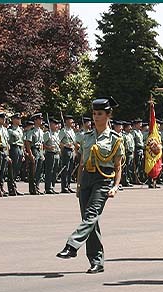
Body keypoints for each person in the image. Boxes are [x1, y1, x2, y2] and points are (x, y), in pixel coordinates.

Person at [56, 97, 124, 274]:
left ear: (108, 115)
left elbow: (118, 166)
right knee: (89, 220)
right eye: (94, 113)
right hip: (86, 177)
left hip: (103, 179)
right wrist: (78, 184)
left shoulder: (115, 139)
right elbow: (81, 163)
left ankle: (72, 246)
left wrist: (116, 186)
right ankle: (97, 261)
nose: (96, 117)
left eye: (100, 114)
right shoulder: (86, 137)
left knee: (91, 214)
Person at [24, 113, 45, 195]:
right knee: (33, 170)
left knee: (39, 170)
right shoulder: (31, 131)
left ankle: (37, 186)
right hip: (34, 149)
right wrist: (30, 154)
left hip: (39, 150)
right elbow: (28, 143)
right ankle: (32, 188)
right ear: (35, 120)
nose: (41, 121)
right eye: (40, 119)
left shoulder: (41, 131)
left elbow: (42, 143)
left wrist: (42, 154)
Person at [7, 113, 25, 196]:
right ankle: (11, 187)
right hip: (13, 148)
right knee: (12, 169)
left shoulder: (20, 129)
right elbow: (8, 142)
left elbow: (23, 141)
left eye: (19, 118)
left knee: (17, 168)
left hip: (20, 148)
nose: (19, 120)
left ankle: (14, 187)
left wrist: (23, 153)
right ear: (13, 120)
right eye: (17, 119)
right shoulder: (10, 130)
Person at [43, 119, 61, 194]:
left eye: (57, 124)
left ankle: (52, 186)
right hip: (50, 153)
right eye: (55, 124)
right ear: (50, 125)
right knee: (49, 171)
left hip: (56, 153)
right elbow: (43, 143)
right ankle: (48, 187)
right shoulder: (47, 134)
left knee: (54, 171)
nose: (56, 126)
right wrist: (48, 147)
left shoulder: (57, 134)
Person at [59, 115, 76, 193]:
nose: (72, 122)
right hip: (66, 150)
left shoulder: (71, 131)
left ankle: (68, 185)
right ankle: (64, 186)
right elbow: (59, 141)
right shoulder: (63, 131)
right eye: (70, 120)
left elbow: (74, 141)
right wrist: (65, 145)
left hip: (72, 150)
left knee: (70, 169)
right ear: (66, 121)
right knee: (65, 169)